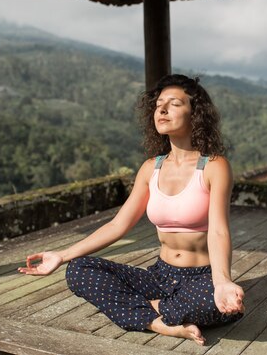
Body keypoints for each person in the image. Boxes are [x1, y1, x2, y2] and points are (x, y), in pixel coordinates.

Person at [18, 74, 245, 345]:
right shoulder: (152, 167)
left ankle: (142, 310)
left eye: (174, 104)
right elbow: (118, 225)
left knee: (219, 303)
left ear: (195, 113)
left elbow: (218, 230)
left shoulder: (214, 166)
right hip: (160, 275)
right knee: (78, 270)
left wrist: (222, 281)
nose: (161, 110)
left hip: (201, 277)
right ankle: (161, 322)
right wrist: (61, 255)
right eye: (159, 104)